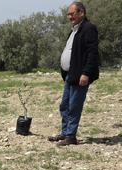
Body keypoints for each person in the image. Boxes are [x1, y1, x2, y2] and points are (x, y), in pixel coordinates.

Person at [49, 1, 99, 146]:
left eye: (72, 14)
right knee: (64, 105)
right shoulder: (74, 31)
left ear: (81, 13)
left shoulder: (89, 28)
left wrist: (86, 73)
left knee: (74, 106)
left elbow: (92, 53)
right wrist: (65, 75)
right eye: (68, 15)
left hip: (80, 75)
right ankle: (65, 133)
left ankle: (71, 136)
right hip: (70, 75)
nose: (70, 17)